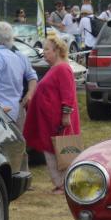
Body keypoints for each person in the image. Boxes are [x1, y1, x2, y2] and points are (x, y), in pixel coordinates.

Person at [23, 35, 79, 192]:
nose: (44, 52)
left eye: (47, 49)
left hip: (57, 120)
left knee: (61, 149)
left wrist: (66, 115)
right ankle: (60, 183)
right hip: (49, 119)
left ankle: (64, 183)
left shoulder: (63, 68)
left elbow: (68, 94)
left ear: (57, 51)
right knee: (50, 150)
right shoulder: (55, 68)